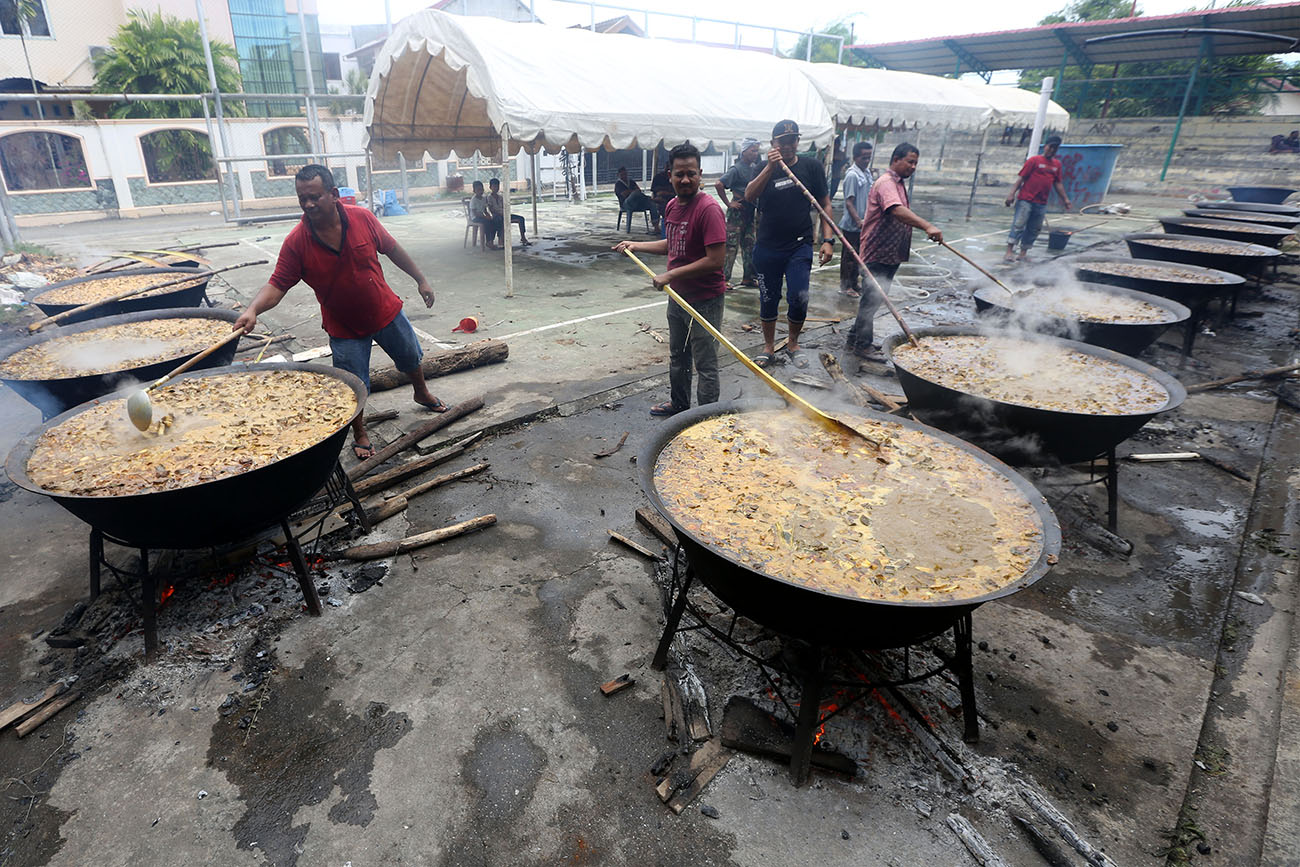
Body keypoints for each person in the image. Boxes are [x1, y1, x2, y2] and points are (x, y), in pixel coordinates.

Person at [233, 164, 444, 461]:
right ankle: (360, 433)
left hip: (385, 310)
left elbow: (393, 249)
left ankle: (421, 392)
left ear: (333, 194)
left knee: (411, 356)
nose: (308, 204)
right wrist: (252, 309)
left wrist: (421, 279)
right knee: (353, 384)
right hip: (343, 326)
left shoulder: (363, 218)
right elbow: (278, 284)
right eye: (302, 198)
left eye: (314, 197)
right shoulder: (297, 242)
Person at [613, 143, 727, 418]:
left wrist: (671, 275)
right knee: (678, 356)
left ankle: (705, 419)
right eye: (679, 174)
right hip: (677, 296)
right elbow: (674, 244)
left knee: (705, 362)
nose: (685, 179)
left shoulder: (709, 209)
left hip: (705, 299)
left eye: (691, 173)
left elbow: (716, 259)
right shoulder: (673, 206)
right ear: (670, 174)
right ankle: (680, 406)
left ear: (700, 174)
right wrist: (637, 245)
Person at [843, 142, 943, 372]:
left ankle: (854, 337)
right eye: (910, 161)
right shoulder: (887, 183)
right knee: (872, 298)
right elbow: (896, 210)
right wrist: (927, 225)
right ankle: (862, 345)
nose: (913, 166)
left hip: (890, 252)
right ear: (896, 159)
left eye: (915, 162)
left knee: (874, 297)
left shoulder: (898, 183)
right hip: (877, 251)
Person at [745, 118, 833, 370]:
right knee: (768, 297)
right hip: (767, 246)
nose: (788, 145)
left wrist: (827, 240)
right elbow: (750, 196)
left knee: (798, 296)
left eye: (792, 140)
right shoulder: (762, 167)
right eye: (782, 141)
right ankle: (769, 347)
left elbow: (824, 204)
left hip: (799, 245)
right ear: (772, 144)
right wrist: (770, 168)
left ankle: (793, 343)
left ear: (798, 141)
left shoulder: (811, 167)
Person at [1004, 135, 1071, 263]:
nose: (1052, 150)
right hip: (1026, 199)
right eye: (1050, 147)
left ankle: (1023, 253)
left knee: (1034, 228)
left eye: (1055, 149)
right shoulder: (1034, 161)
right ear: (1045, 146)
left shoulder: (1057, 165)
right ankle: (1009, 251)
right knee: (1019, 224)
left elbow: (1058, 183)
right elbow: (1021, 179)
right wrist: (1011, 194)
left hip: (1041, 202)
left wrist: (1065, 199)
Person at [713, 137, 761, 288]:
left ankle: (748, 277)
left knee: (749, 245)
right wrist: (729, 203)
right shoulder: (737, 169)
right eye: (753, 151)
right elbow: (719, 184)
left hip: (749, 211)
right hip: (737, 213)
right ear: (744, 152)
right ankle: (723, 279)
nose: (755, 154)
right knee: (731, 247)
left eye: (756, 151)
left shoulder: (754, 168)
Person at [837, 140, 874, 299]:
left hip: (864, 223)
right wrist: (858, 220)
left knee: (859, 256)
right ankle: (845, 286)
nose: (866, 161)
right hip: (853, 224)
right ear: (856, 157)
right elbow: (849, 201)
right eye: (863, 158)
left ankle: (854, 282)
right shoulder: (852, 175)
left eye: (868, 157)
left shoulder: (866, 173)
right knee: (849, 257)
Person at [485, 177, 530, 248]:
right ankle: (500, 240)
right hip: (496, 215)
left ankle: (523, 237)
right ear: (490, 187)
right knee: (500, 220)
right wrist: (500, 213)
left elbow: (505, 207)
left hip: (504, 214)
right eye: (494, 186)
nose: (496, 188)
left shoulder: (500, 197)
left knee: (521, 219)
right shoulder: (489, 197)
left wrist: (506, 212)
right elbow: (491, 209)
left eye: (497, 186)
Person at [614, 166, 658, 231]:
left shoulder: (631, 181)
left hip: (638, 202)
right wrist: (633, 192)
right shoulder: (618, 184)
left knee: (652, 204)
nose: (624, 176)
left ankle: (656, 226)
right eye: (622, 174)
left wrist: (632, 192)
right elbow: (624, 194)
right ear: (618, 175)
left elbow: (638, 190)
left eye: (625, 174)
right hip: (626, 204)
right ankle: (647, 198)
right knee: (635, 194)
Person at [467, 180, 492, 248]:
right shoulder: (473, 200)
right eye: (478, 190)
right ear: (474, 191)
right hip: (475, 218)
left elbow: (484, 210)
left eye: (481, 189)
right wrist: (484, 217)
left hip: (482, 216)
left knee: (491, 221)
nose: (480, 191)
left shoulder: (483, 198)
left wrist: (488, 215)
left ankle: (490, 240)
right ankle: (487, 241)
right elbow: (475, 213)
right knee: (486, 222)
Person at [649, 166, 673, 233]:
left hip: (671, 197)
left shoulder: (675, 177)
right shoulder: (658, 177)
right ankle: (657, 226)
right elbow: (653, 190)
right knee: (655, 206)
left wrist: (666, 192)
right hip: (659, 198)